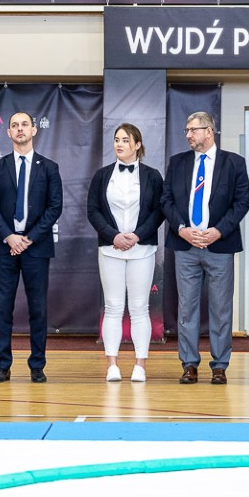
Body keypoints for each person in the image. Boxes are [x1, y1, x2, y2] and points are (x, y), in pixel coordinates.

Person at [161, 111, 249, 385]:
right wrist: (182, 229)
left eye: (193, 130)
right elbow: (166, 200)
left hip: (219, 246)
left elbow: (241, 203)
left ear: (209, 131)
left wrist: (218, 231)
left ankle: (219, 365)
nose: (188, 135)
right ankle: (189, 364)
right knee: (186, 309)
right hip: (185, 245)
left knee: (221, 309)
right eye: (187, 130)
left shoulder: (234, 163)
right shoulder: (177, 162)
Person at [0, 112, 63, 383]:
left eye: (25, 125)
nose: (20, 129)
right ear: (8, 132)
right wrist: (9, 237)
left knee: (38, 309)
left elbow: (55, 207)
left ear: (34, 130)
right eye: (15, 125)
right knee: (3, 308)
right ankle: (3, 365)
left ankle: (37, 365)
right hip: (4, 247)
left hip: (36, 248)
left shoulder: (49, 167)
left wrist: (29, 238)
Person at [86, 123, 164, 382]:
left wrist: (138, 235)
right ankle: (112, 365)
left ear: (137, 145)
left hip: (143, 249)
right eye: (116, 139)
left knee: (140, 307)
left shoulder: (153, 176)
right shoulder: (102, 175)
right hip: (110, 249)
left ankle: (140, 365)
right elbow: (93, 210)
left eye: (125, 140)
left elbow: (159, 211)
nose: (119, 144)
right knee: (113, 307)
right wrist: (113, 236)